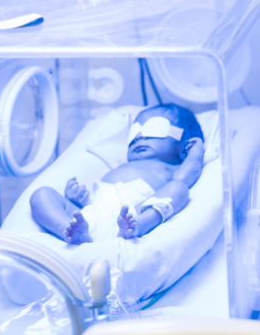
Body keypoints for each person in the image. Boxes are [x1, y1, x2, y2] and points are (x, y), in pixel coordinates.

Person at [30, 103, 205, 244]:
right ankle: (67, 229)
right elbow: (99, 203)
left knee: (179, 189)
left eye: (155, 130)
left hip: (135, 214)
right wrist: (77, 201)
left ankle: (141, 225)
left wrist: (195, 152)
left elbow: (186, 177)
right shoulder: (120, 166)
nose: (140, 137)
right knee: (41, 194)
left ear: (183, 147)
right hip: (91, 217)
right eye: (134, 134)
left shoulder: (171, 169)